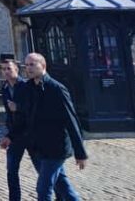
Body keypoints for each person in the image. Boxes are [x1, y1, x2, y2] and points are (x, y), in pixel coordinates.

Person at [23, 52, 87, 201]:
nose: (28, 68)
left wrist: (80, 152)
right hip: (39, 147)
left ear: (43, 66)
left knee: (43, 188)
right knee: (63, 186)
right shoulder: (29, 88)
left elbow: (71, 121)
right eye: (26, 65)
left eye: (32, 64)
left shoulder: (57, 89)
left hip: (56, 147)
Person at [0, 59, 29, 201]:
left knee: (42, 168)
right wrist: (9, 133)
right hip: (15, 135)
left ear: (16, 69)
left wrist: (19, 108)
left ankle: (60, 195)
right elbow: (9, 114)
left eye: (8, 68)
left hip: (29, 134)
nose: (6, 71)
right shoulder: (4, 88)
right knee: (11, 170)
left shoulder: (26, 86)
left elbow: (32, 111)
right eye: (3, 69)